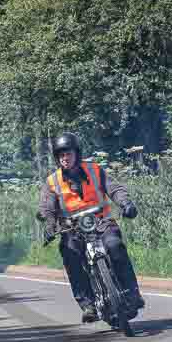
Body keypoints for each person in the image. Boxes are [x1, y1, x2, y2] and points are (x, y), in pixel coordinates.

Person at [38, 132, 146, 323]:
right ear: (57, 158)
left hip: (102, 222)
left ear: (77, 154)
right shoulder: (52, 182)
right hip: (72, 229)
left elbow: (115, 189)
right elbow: (47, 208)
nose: (65, 158)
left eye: (68, 153)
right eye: (61, 155)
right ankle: (88, 305)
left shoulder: (95, 170)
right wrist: (49, 226)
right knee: (70, 253)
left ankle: (132, 294)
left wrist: (126, 204)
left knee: (114, 246)